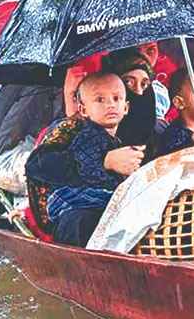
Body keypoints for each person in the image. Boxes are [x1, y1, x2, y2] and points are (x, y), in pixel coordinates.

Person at [47, 72, 145, 246]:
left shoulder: (116, 141)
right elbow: (85, 168)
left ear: (126, 107)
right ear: (83, 109)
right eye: (100, 100)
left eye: (116, 99)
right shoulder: (87, 135)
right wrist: (108, 164)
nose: (110, 105)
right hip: (76, 208)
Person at [102, 48, 164, 146]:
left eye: (144, 84)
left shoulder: (161, 132)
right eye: (129, 82)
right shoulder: (95, 139)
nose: (139, 92)